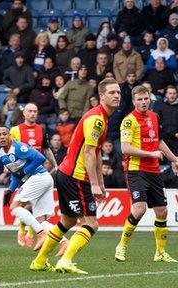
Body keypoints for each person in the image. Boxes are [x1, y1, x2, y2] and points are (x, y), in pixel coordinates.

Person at [31, 78, 121, 274]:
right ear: (101, 96)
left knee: (68, 221)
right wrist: (94, 184)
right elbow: (89, 152)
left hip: (67, 173)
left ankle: (39, 261)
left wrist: (101, 183)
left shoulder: (102, 118)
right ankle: (66, 260)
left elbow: (96, 153)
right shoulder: (97, 119)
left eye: (119, 92)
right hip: (76, 176)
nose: (117, 95)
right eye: (112, 92)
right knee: (91, 223)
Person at [115, 85, 178, 263]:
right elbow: (125, 148)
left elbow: (159, 142)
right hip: (136, 170)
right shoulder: (129, 121)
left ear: (150, 99)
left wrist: (174, 160)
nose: (143, 102)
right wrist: (150, 154)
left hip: (154, 171)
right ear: (134, 101)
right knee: (140, 209)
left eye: (146, 99)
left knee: (162, 211)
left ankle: (160, 252)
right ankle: (121, 246)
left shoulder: (154, 117)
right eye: (140, 99)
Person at [0, 127, 63, 255]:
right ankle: (64, 242)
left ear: (10, 136)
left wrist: (24, 171)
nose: (2, 137)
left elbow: (40, 158)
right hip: (43, 179)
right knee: (41, 220)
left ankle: (40, 233)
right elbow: (16, 175)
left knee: (14, 208)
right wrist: (10, 190)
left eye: (4, 134)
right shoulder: (1, 154)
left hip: (38, 177)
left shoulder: (18, 147)